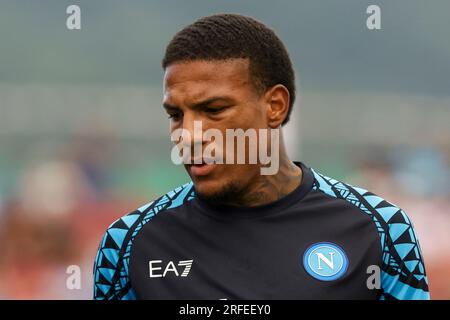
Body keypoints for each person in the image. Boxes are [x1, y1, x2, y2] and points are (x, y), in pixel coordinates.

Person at [93, 13, 429, 300]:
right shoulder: (128, 243)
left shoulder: (381, 230)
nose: (189, 134)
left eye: (214, 109)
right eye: (176, 115)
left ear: (275, 106)